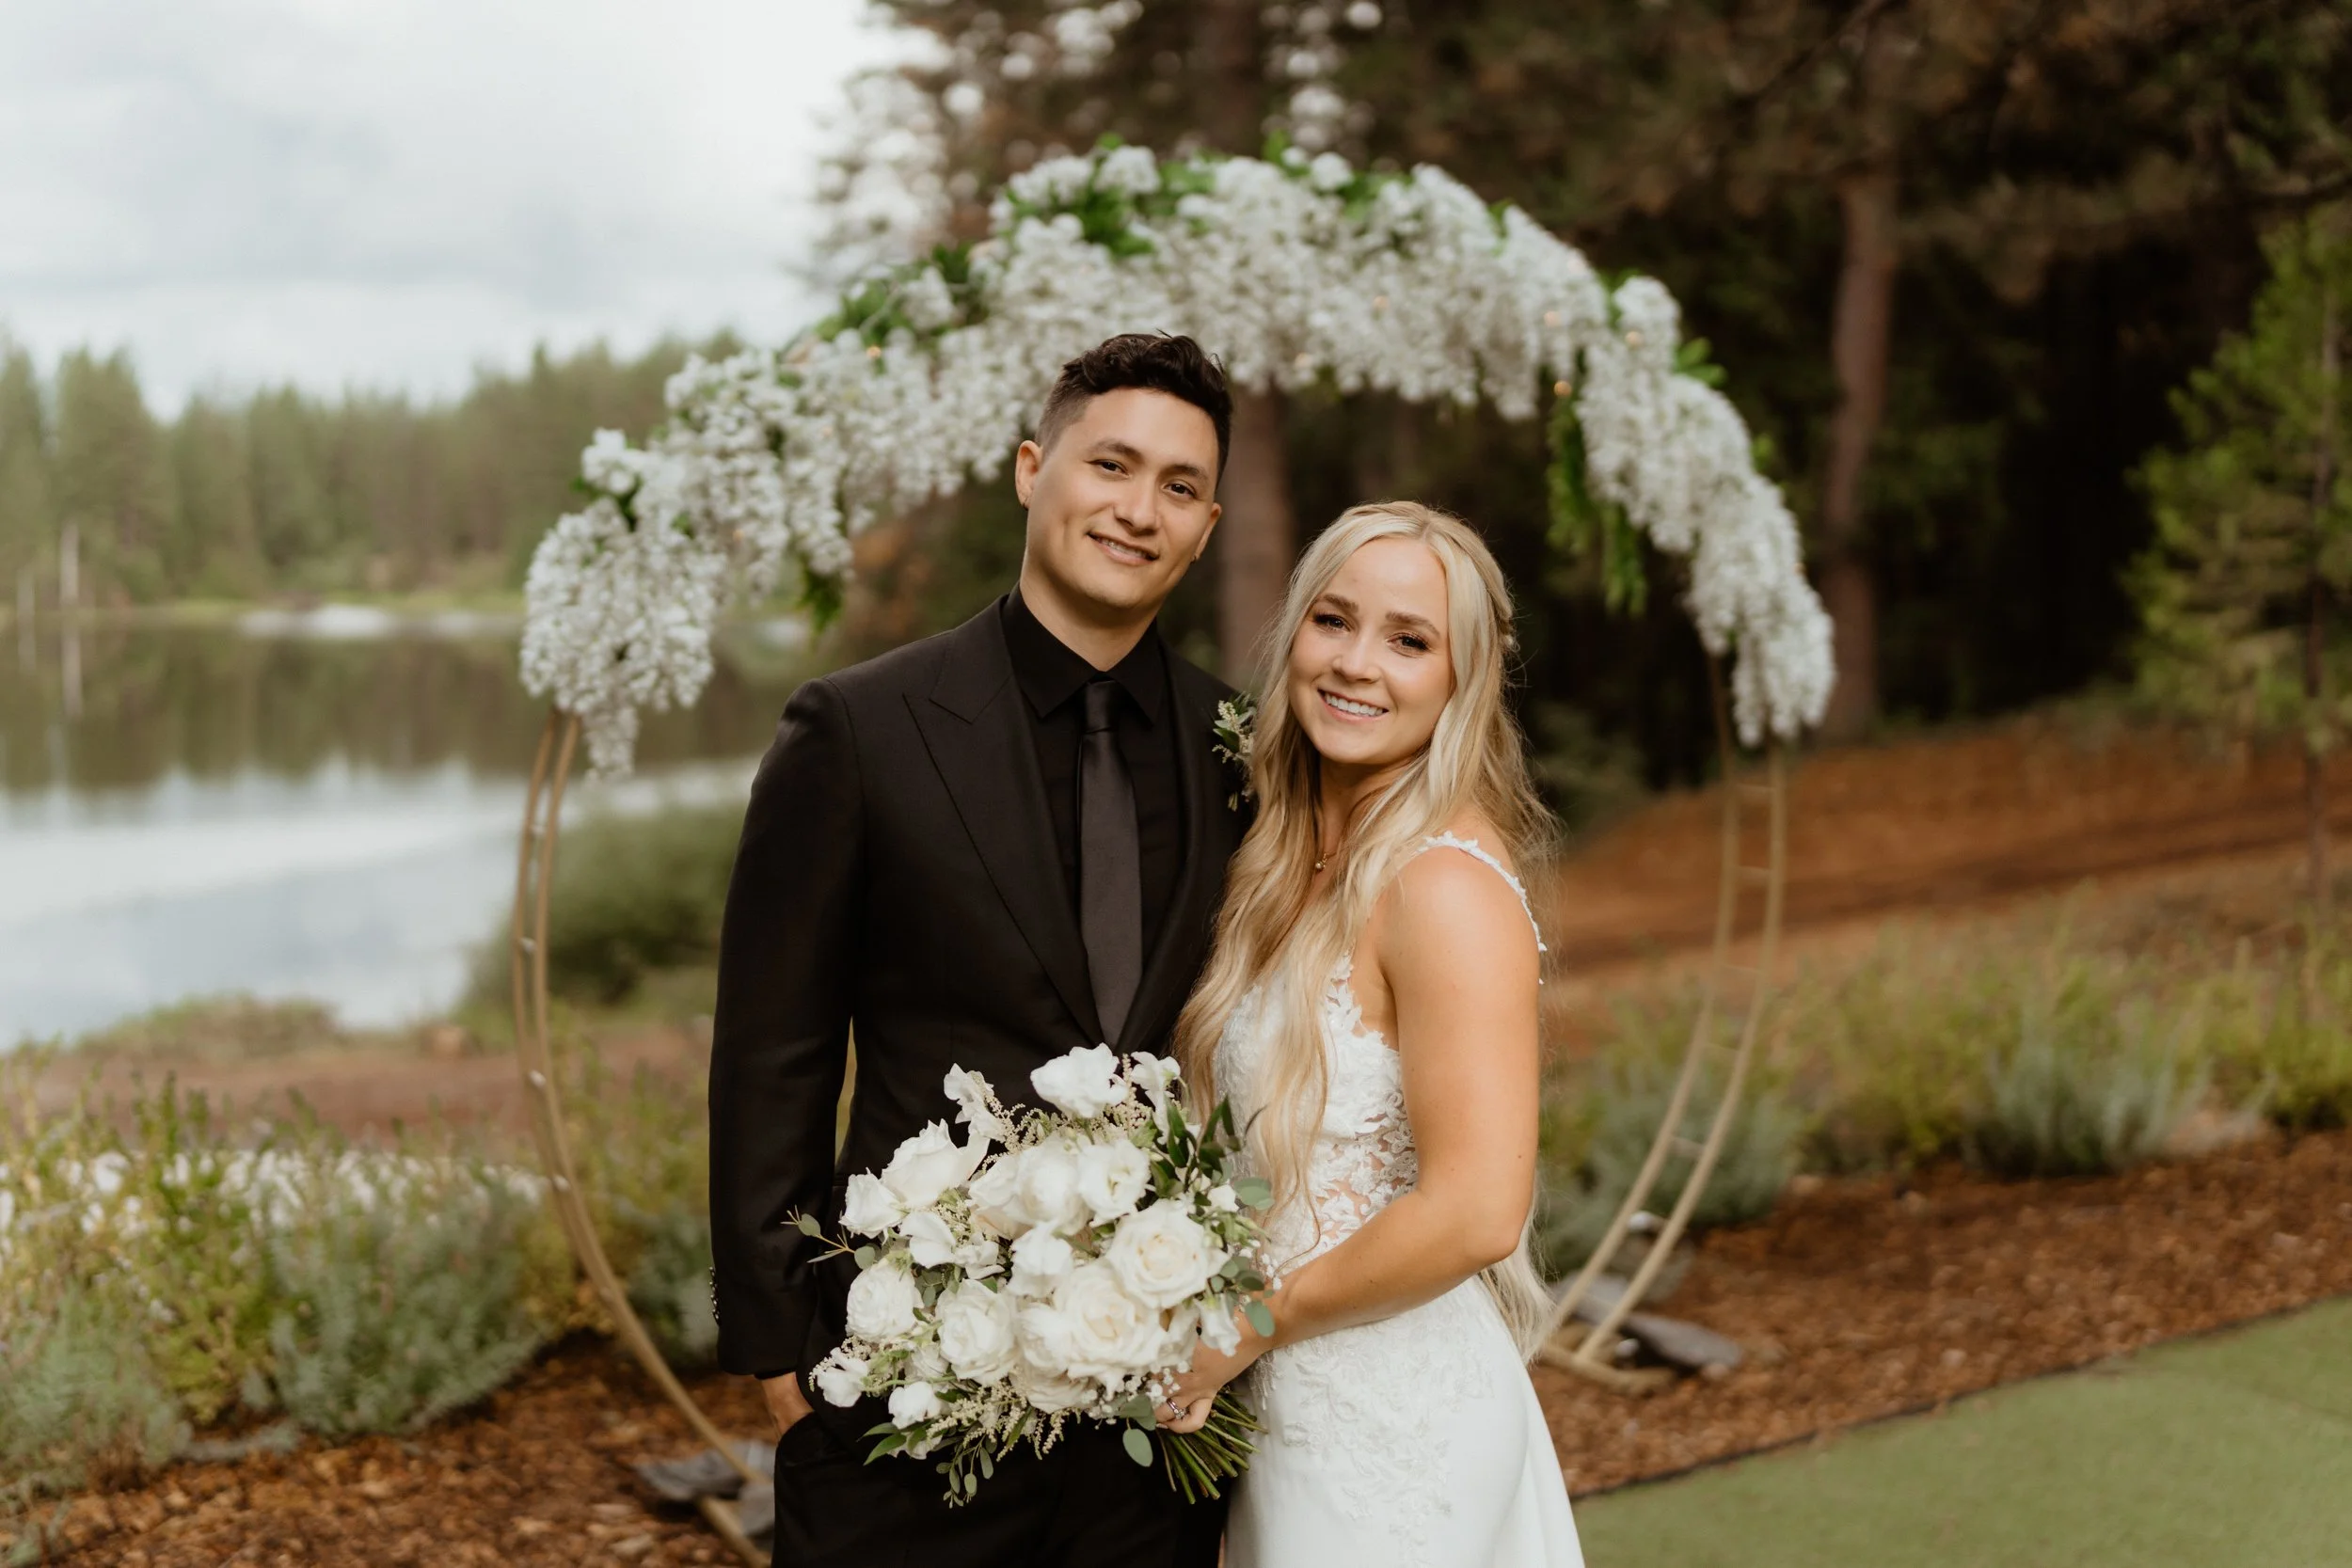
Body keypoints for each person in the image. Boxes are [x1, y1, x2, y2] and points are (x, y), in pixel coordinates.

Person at [705, 331, 1249, 1567]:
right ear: (1029, 468)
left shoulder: (1246, 750)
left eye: (1178, 486)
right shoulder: (858, 729)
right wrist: (775, 1345)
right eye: (1111, 463)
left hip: (1153, 1410)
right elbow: (772, 1053)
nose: (1139, 507)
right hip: (906, 1383)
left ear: (1209, 525)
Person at [1160, 501, 1585, 1566]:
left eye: (1408, 640)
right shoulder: (1286, 858)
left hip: (1394, 1424)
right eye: (1332, 621)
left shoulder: (1440, 885)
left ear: (1461, 679)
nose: (1356, 664)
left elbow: (1479, 1209)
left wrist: (1245, 1327)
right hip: (1287, 1404)